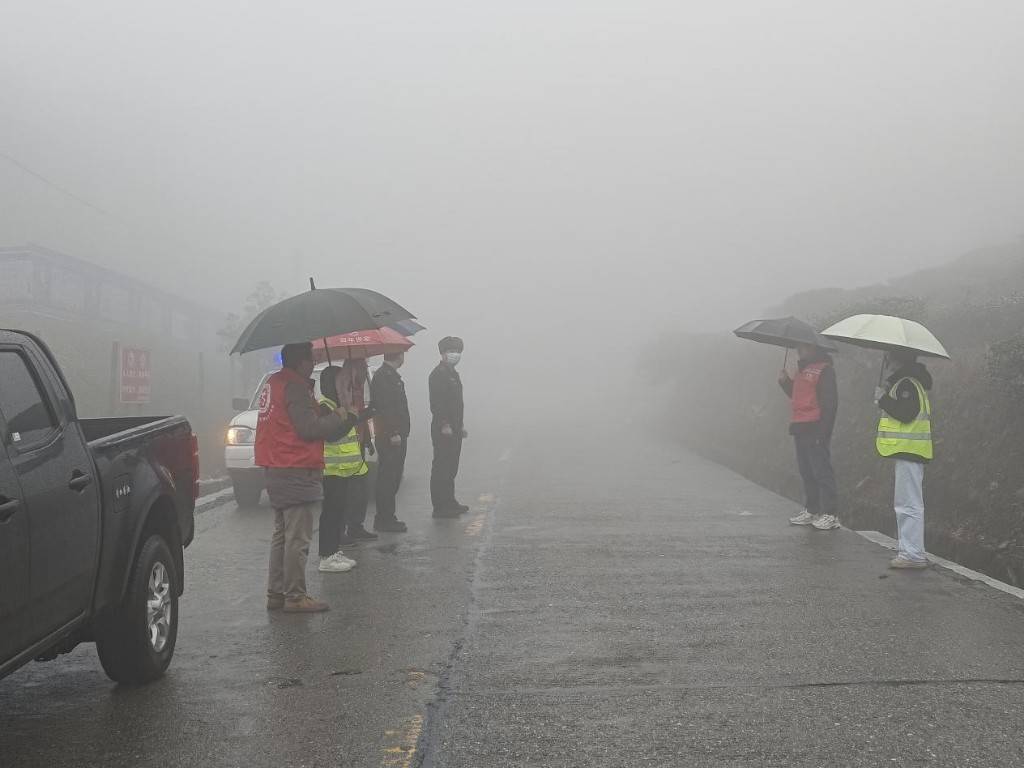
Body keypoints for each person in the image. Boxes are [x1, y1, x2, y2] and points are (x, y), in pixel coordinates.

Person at [255, 342, 353, 613]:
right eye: (312, 357)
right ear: (301, 362)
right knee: (297, 537)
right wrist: (338, 416)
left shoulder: (276, 382)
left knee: (282, 535)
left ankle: (276, 593)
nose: (315, 362)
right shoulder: (295, 386)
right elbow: (308, 428)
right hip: (295, 465)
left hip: (276, 464)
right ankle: (295, 596)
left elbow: (292, 419)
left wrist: (318, 411)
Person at [875, 349, 933, 569]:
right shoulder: (909, 382)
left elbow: (907, 414)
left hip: (910, 450)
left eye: (888, 357)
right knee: (908, 502)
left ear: (897, 359)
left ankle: (912, 554)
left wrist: (883, 399)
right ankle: (910, 550)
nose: (886, 361)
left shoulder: (907, 383)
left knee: (908, 503)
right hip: (911, 451)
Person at [318, 362, 377, 575]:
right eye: (343, 383)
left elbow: (347, 425)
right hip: (332, 469)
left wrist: (364, 414)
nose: (347, 387)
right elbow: (332, 434)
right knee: (331, 514)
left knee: (339, 511)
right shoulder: (325, 406)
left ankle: (333, 551)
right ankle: (326, 555)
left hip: (343, 469)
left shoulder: (339, 404)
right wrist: (351, 417)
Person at [778, 342, 840, 531]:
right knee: (806, 471)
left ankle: (830, 514)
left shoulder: (825, 370)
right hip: (800, 425)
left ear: (815, 349)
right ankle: (812, 509)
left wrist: (823, 432)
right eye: (799, 347)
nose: (800, 350)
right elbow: (798, 396)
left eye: (804, 347)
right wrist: (785, 382)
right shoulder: (802, 370)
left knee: (821, 470)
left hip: (815, 427)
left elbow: (829, 403)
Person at [370, 351, 411, 532]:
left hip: (397, 434)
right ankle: (384, 519)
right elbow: (386, 407)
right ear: (399, 355)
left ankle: (388, 516)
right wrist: (393, 432)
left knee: (393, 477)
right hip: (390, 436)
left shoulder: (390, 376)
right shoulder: (383, 377)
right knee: (388, 478)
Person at [430, 336, 468, 518]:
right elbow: (438, 403)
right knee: (441, 467)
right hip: (443, 429)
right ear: (443, 353)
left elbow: (456, 404)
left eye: (458, 352)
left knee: (451, 467)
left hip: (454, 429)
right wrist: (444, 424)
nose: (455, 355)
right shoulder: (438, 374)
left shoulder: (453, 373)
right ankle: (440, 506)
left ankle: (450, 501)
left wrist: (459, 426)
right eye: (452, 351)